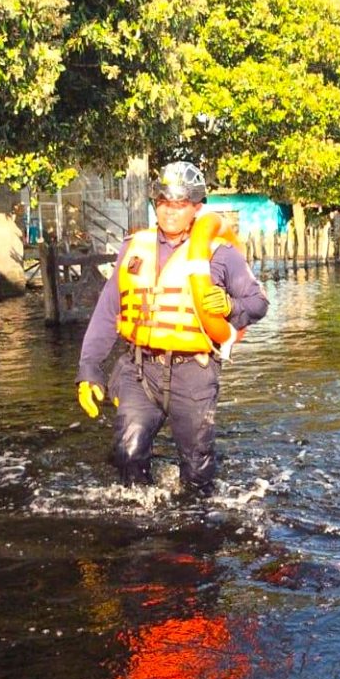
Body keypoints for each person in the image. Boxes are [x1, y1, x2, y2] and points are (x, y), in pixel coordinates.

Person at [74, 161, 269, 497]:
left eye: (179, 204)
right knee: (127, 453)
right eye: (163, 202)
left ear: (196, 207)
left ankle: (193, 533)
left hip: (193, 372)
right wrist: (89, 370)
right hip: (140, 368)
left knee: (196, 469)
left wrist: (230, 307)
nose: (170, 212)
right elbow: (108, 310)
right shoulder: (134, 247)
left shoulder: (220, 255)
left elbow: (259, 303)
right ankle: (140, 529)